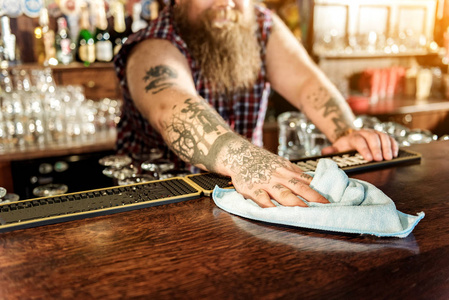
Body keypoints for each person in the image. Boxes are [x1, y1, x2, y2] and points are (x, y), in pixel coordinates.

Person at [114, 0, 398, 208]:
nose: (226, 3)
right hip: (161, 202)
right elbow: (170, 105)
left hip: (246, 193)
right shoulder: (152, 43)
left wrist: (345, 133)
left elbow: (306, 83)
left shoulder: (259, 22)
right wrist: (244, 159)